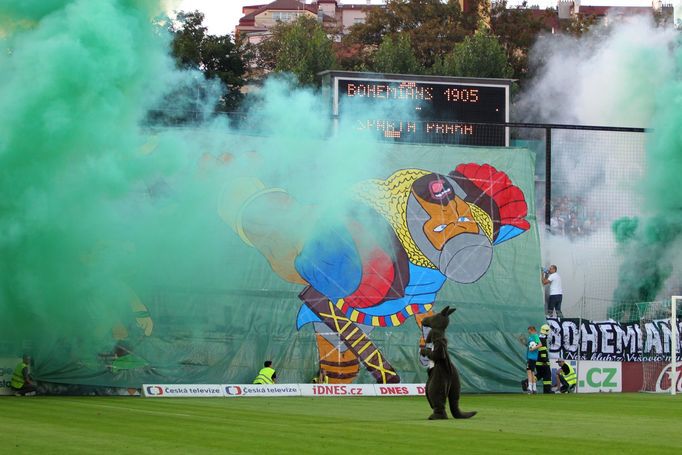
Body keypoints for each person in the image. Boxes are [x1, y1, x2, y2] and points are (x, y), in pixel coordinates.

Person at [536, 324, 553, 393]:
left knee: (539, 375)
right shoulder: (543, 340)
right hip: (543, 362)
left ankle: (527, 382)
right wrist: (545, 360)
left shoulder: (538, 338)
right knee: (547, 376)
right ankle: (547, 391)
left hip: (538, 362)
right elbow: (543, 350)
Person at [525, 326, 541, 394]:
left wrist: (533, 348)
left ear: (531, 330)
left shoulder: (535, 336)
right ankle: (534, 388)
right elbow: (529, 346)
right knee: (532, 372)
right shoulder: (530, 337)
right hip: (530, 357)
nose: (528, 332)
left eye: (529, 330)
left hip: (532, 357)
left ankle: (530, 387)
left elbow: (540, 344)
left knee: (529, 371)